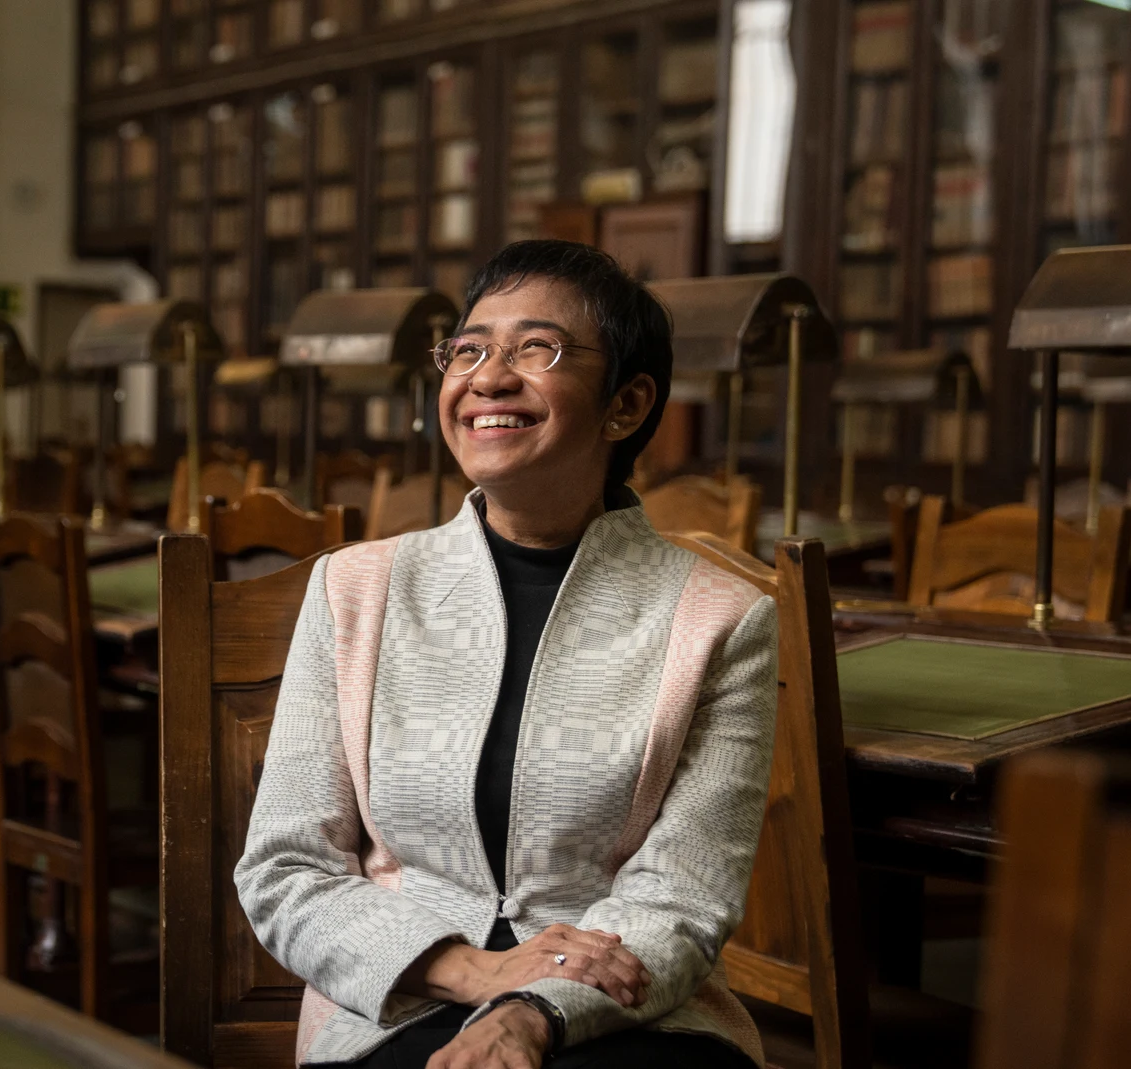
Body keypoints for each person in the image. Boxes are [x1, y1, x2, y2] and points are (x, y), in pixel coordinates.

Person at [235, 241, 778, 1069]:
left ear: (625, 404)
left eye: (536, 348)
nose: (488, 377)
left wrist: (532, 1009)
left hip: (627, 1007)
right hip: (402, 994)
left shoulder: (721, 619)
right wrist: (476, 971)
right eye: (470, 348)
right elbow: (285, 866)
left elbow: (685, 894)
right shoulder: (355, 590)